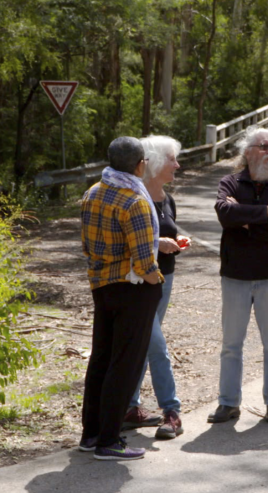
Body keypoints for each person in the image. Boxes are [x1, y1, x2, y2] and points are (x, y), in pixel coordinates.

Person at [78, 136, 164, 461]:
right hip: (133, 290)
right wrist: (158, 279)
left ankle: (92, 434)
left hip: (102, 285)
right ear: (139, 164)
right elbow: (144, 263)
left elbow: (87, 246)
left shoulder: (92, 193)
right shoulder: (134, 200)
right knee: (124, 364)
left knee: (101, 359)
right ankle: (110, 440)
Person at [210, 126, 268, 424]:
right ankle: (228, 403)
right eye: (264, 146)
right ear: (247, 151)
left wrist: (245, 220)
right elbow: (225, 214)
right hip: (235, 276)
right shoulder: (230, 182)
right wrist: (265, 214)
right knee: (231, 345)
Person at [122, 135, 192, 440]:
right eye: (172, 159)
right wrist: (155, 244)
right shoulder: (134, 198)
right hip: (139, 280)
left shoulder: (167, 198)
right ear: (156, 163)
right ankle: (171, 411)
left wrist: (174, 244)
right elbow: (126, 241)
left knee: (146, 343)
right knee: (157, 346)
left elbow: (167, 232)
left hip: (166, 278)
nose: (177, 164)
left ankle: (130, 407)